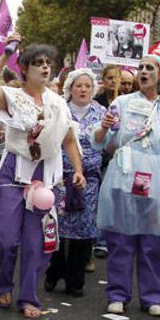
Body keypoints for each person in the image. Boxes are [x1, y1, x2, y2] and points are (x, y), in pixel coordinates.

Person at [0, 41, 86, 318]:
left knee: (36, 244)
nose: (45, 67)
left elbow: (69, 139)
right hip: (13, 174)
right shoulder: (13, 96)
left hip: (46, 180)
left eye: (48, 63)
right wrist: (6, 54)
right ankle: (4, 282)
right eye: (38, 63)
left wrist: (78, 170)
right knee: (5, 239)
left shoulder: (58, 103)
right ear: (25, 69)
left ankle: (28, 297)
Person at [92, 55, 160, 317]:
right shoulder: (122, 103)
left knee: (153, 240)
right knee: (121, 238)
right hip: (125, 173)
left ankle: (151, 296)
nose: (144, 72)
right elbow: (102, 142)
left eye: (150, 68)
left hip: (159, 177)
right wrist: (103, 128)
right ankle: (117, 294)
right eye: (141, 68)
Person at [45, 68, 105, 297]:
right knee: (56, 225)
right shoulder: (59, 109)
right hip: (59, 177)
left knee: (84, 229)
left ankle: (75, 279)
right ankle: (55, 270)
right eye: (78, 85)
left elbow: (107, 143)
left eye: (88, 86)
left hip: (88, 179)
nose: (83, 90)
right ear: (70, 88)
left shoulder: (102, 112)